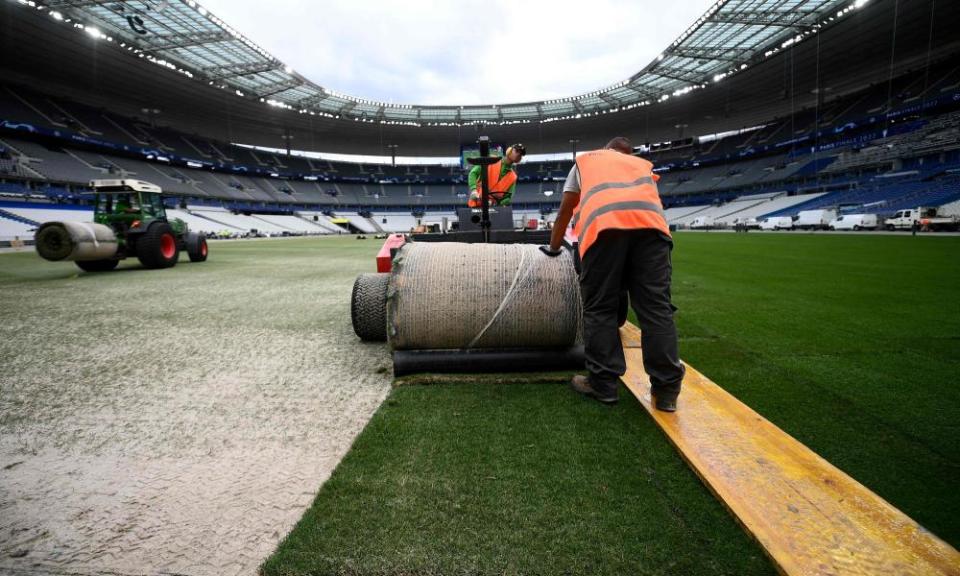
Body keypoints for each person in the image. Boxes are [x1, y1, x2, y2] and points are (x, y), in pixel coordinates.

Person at [540, 137, 685, 412]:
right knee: (656, 310)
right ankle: (667, 390)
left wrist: (554, 247)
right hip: (652, 234)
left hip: (605, 231)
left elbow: (566, 210)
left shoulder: (588, 160)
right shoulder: (641, 165)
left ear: (606, 149)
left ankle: (603, 384)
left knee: (600, 308)